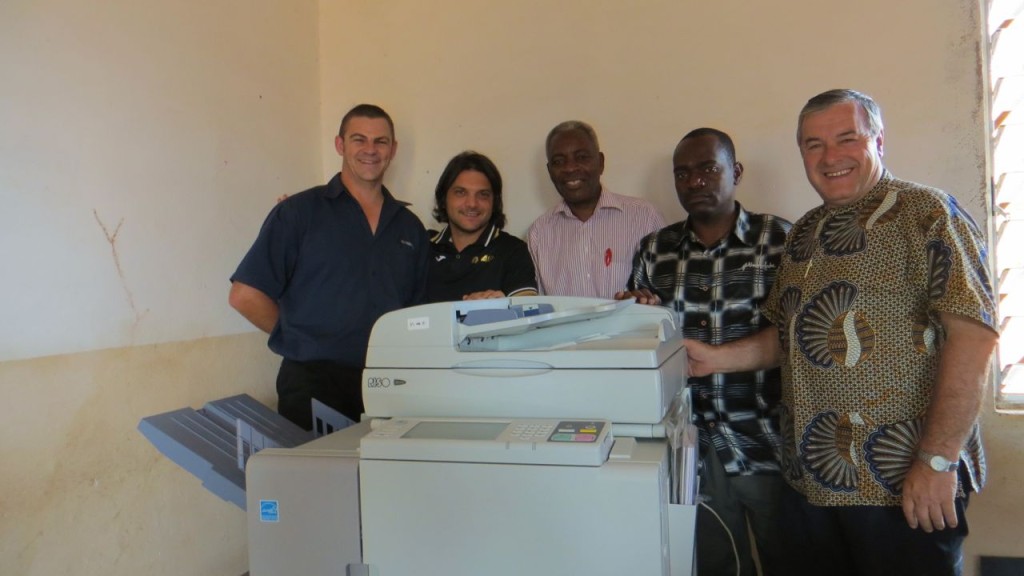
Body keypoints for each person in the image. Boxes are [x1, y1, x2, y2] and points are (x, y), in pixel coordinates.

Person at [685, 89, 998, 576]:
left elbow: (973, 336)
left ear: (878, 140)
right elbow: (787, 336)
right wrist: (713, 358)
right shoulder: (805, 233)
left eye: (846, 138)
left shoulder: (929, 214)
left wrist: (937, 462)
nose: (830, 157)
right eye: (813, 145)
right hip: (809, 482)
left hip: (900, 482)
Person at [616, 128, 792, 576]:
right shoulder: (656, 250)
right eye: (683, 173)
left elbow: (798, 336)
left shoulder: (780, 240)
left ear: (735, 172)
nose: (694, 181)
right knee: (717, 565)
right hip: (692, 446)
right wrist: (639, 314)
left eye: (708, 168)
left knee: (791, 559)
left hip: (766, 440)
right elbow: (643, 342)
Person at [229, 104, 430, 429]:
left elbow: (416, 314)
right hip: (313, 386)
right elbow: (244, 295)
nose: (370, 150)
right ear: (340, 145)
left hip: (389, 387)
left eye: (380, 141)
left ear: (393, 150)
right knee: (318, 480)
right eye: (359, 139)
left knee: (381, 479)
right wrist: (299, 340)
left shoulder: (410, 228)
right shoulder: (299, 213)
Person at [528, 120, 665, 299]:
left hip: (632, 327)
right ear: (549, 171)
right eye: (558, 161)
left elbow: (667, 292)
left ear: (600, 162)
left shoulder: (644, 217)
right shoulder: (539, 232)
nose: (570, 168)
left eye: (582, 157)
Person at [425, 151, 538, 302]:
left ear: (495, 202)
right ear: (443, 198)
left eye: (482, 194)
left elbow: (527, 312)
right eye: (460, 192)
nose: (472, 204)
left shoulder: (513, 251)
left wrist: (496, 308)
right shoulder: (422, 245)